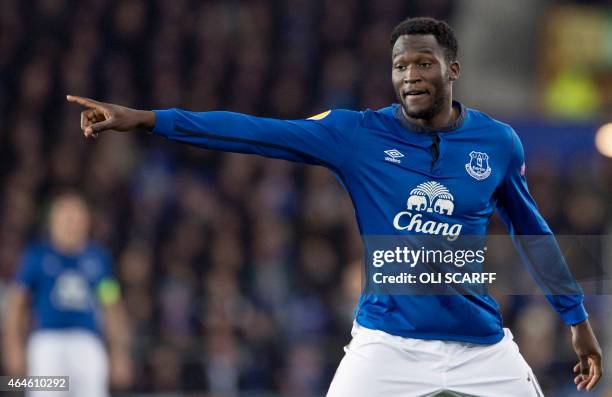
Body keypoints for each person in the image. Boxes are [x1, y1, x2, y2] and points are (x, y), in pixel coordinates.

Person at [66, 17, 602, 396]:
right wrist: (147, 119)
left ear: (453, 68)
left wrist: (575, 318)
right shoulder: (358, 134)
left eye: (424, 63)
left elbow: (533, 231)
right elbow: (255, 132)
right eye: (400, 66)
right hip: (387, 342)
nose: (410, 75)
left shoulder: (499, 142)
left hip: (481, 346)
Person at [2, 192, 132, 397]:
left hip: (87, 344)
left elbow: (111, 304)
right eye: (66, 218)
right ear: (52, 222)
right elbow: (16, 302)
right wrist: (12, 346)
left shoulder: (97, 259)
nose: (72, 225)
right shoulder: (36, 256)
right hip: (47, 343)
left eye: (78, 219)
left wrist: (119, 352)